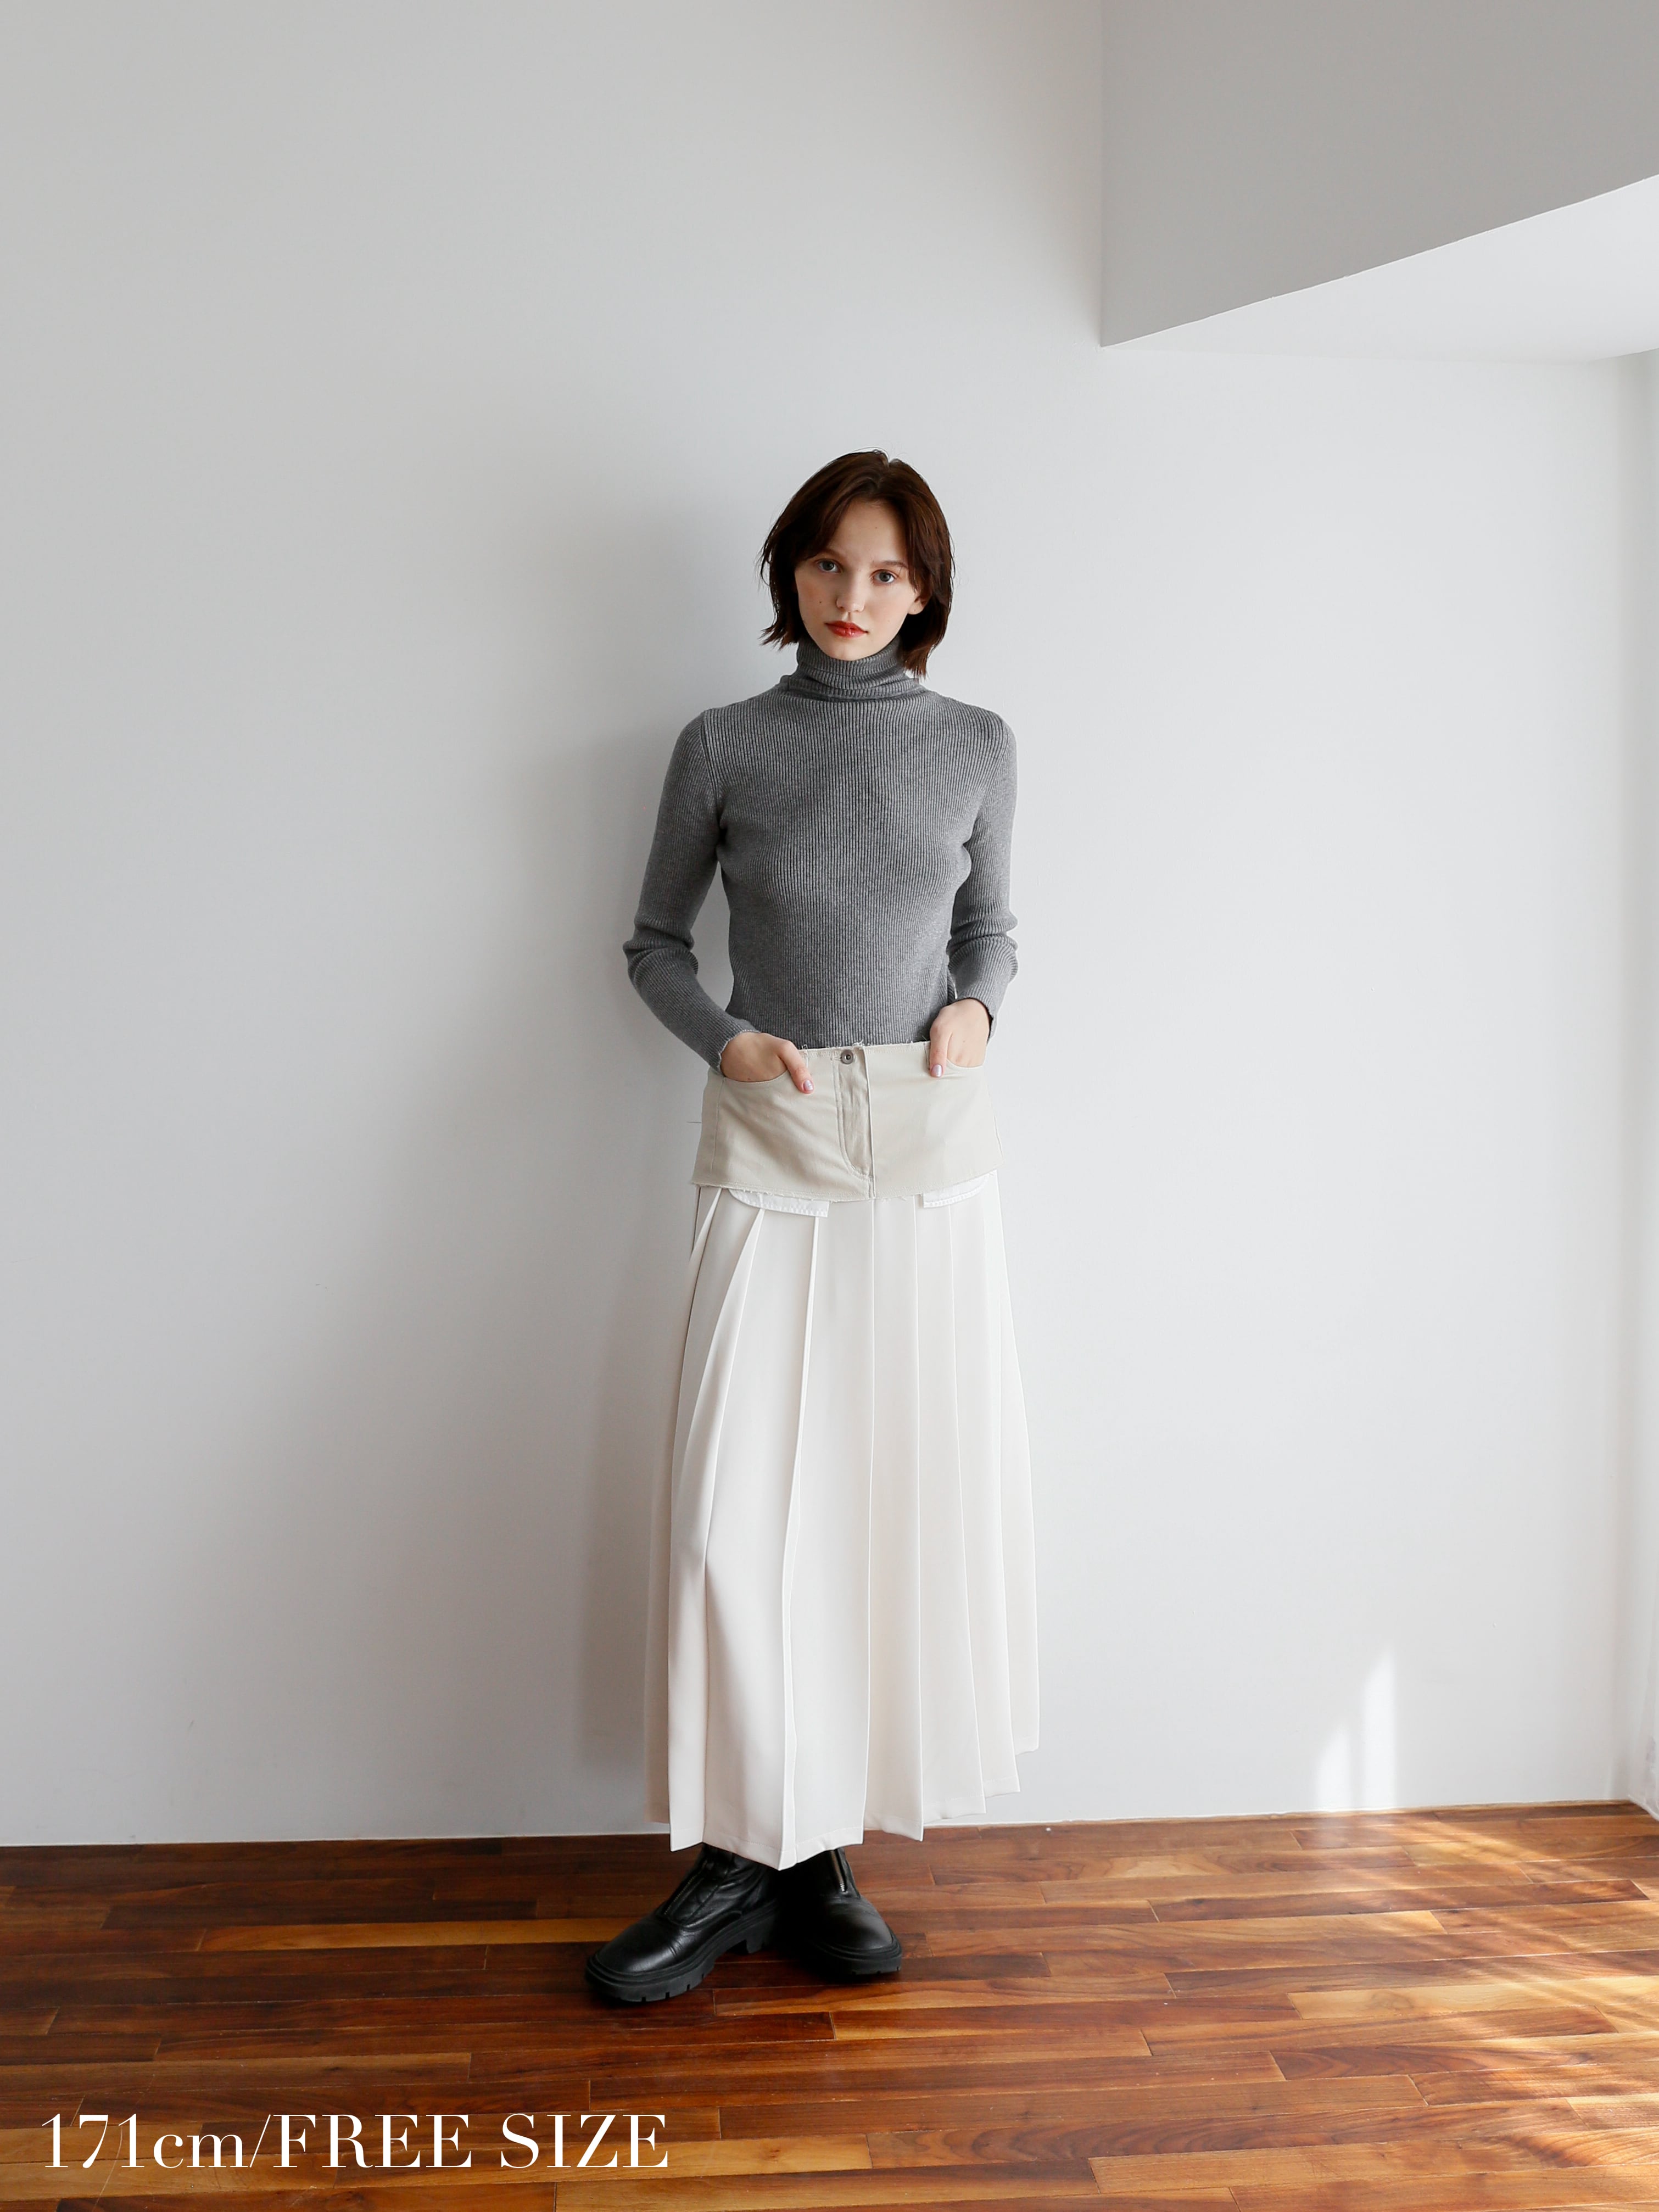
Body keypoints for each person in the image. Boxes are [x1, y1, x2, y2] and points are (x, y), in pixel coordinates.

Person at [587, 451, 1037, 2005]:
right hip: (772, 1132)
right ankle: (737, 1855)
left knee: (880, 1498)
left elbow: (990, 926)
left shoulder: (976, 743)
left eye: (888, 573)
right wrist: (726, 1044)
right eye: (831, 565)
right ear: (791, 569)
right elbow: (653, 945)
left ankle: (816, 1857)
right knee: (736, 1512)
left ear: (927, 591)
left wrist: (979, 1007)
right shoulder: (725, 742)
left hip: (926, 1144)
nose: (855, 597)